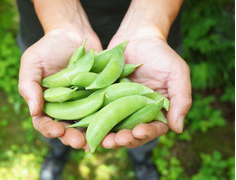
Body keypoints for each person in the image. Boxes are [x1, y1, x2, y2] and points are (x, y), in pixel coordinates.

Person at [16, 0, 192, 179]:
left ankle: (142, 158)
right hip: (50, 18)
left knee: (141, 128)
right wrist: (62, 24)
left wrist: (150, 25)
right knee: (56, 128)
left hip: (152, 19)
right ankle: (57, 153)